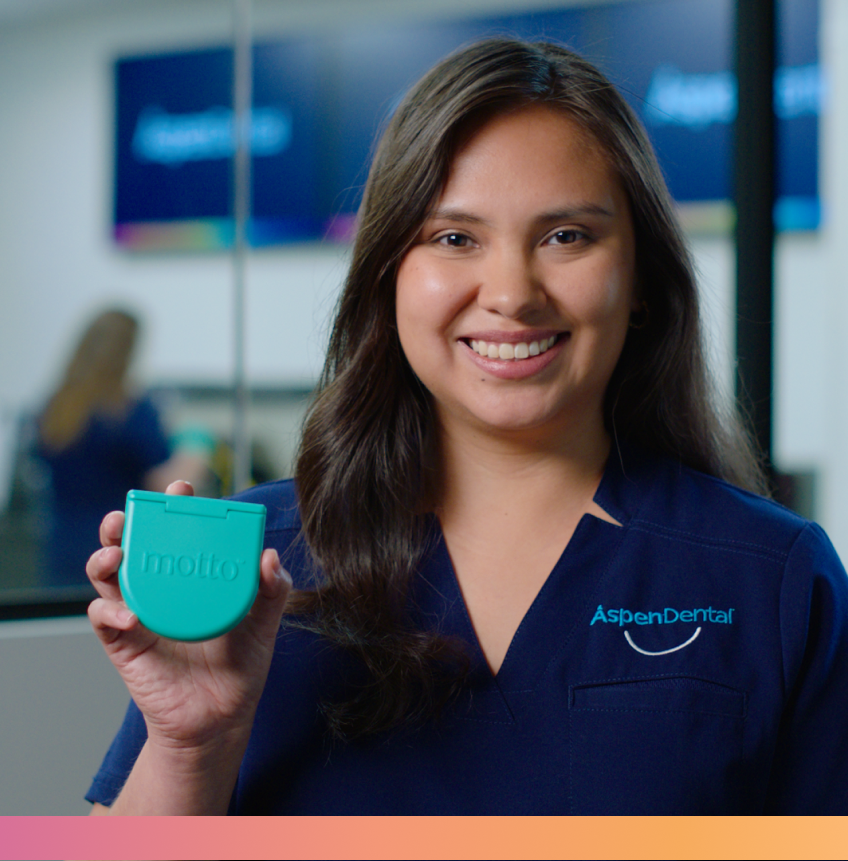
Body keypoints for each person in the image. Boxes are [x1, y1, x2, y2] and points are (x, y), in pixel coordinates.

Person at [84, 39, 848, 814]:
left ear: (641, 276)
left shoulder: (773, 580)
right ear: (388, 276)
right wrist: (190, 744)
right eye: (454, 238)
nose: (512, 293)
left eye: (567, 236)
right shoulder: (250, 564)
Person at [36, 308, 208, 586]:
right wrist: (197, 448)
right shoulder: (130, 414)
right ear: (127, 353)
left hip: (63, 556)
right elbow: (166, 484)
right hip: (117, 555)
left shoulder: (53, 409)